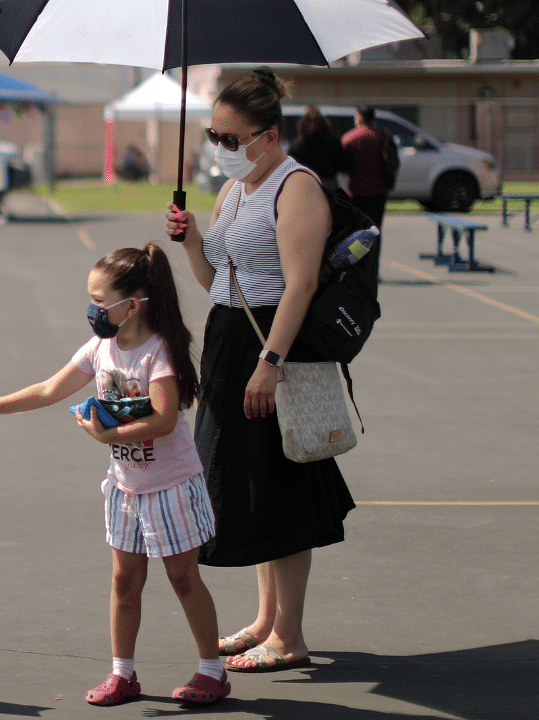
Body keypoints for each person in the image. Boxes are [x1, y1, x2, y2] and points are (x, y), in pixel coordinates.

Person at [0, 244, 230, 708]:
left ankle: (211, 672)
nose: (92, 310)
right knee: (124, 581)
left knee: (183, 578)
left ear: (132, 305)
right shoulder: (101, 347)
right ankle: (123, 674)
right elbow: (49, 389)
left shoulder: (158, 352)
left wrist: (106, 436)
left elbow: (162, 420)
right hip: (125, 488)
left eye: (100, 302)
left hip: (171, 487)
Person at [164, 67, 355, 674]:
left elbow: (298, 285)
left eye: (229, 137)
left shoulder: (296, 188)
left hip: (270, 345)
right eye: (213, 135)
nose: (219, 148)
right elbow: (216, 283)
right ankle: (266, 620)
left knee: (281, 488)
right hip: (230, 340)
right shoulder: (236, 189)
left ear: (268, 135)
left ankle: (289, 636)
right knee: (248, 488)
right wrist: (194, 240)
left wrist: (270, 363)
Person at [342, 105, 389, 276]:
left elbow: (344, 166)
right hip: (378, 191)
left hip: (356, 192)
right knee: (374, 232)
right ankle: (373, 269)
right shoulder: (383, 137)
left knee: (356, 234)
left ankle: (357, 269)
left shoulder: (349, 139)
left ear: (359, 118)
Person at [288, 106, 345, 192]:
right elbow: (342, 166)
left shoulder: (296, 146)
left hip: (305, 187)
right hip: (329, 186)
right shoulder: (334, 142)